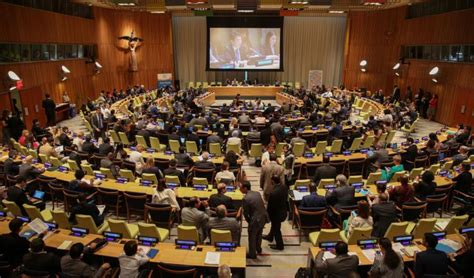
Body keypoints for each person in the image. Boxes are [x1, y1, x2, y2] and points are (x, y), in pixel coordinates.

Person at [240, 181, 268, 259]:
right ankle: (258, 249)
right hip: (263, 217)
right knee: (259, 234)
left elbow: (246, 213)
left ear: (245, 188)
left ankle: (252, 254)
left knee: (252, 236)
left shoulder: (245, 198)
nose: (240, 189)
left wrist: (250, 222)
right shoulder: (257, 193)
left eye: (241, 187)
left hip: (255, 219)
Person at [263, 175, 288, 251]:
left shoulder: (273, 193)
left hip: (276, 214)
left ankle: (280, 245)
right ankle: (270, 236)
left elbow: (270, 207)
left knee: (277, 229)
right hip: (283, 210)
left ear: (273, 181)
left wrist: (267, 216)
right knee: (275, 226)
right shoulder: (284, 187)